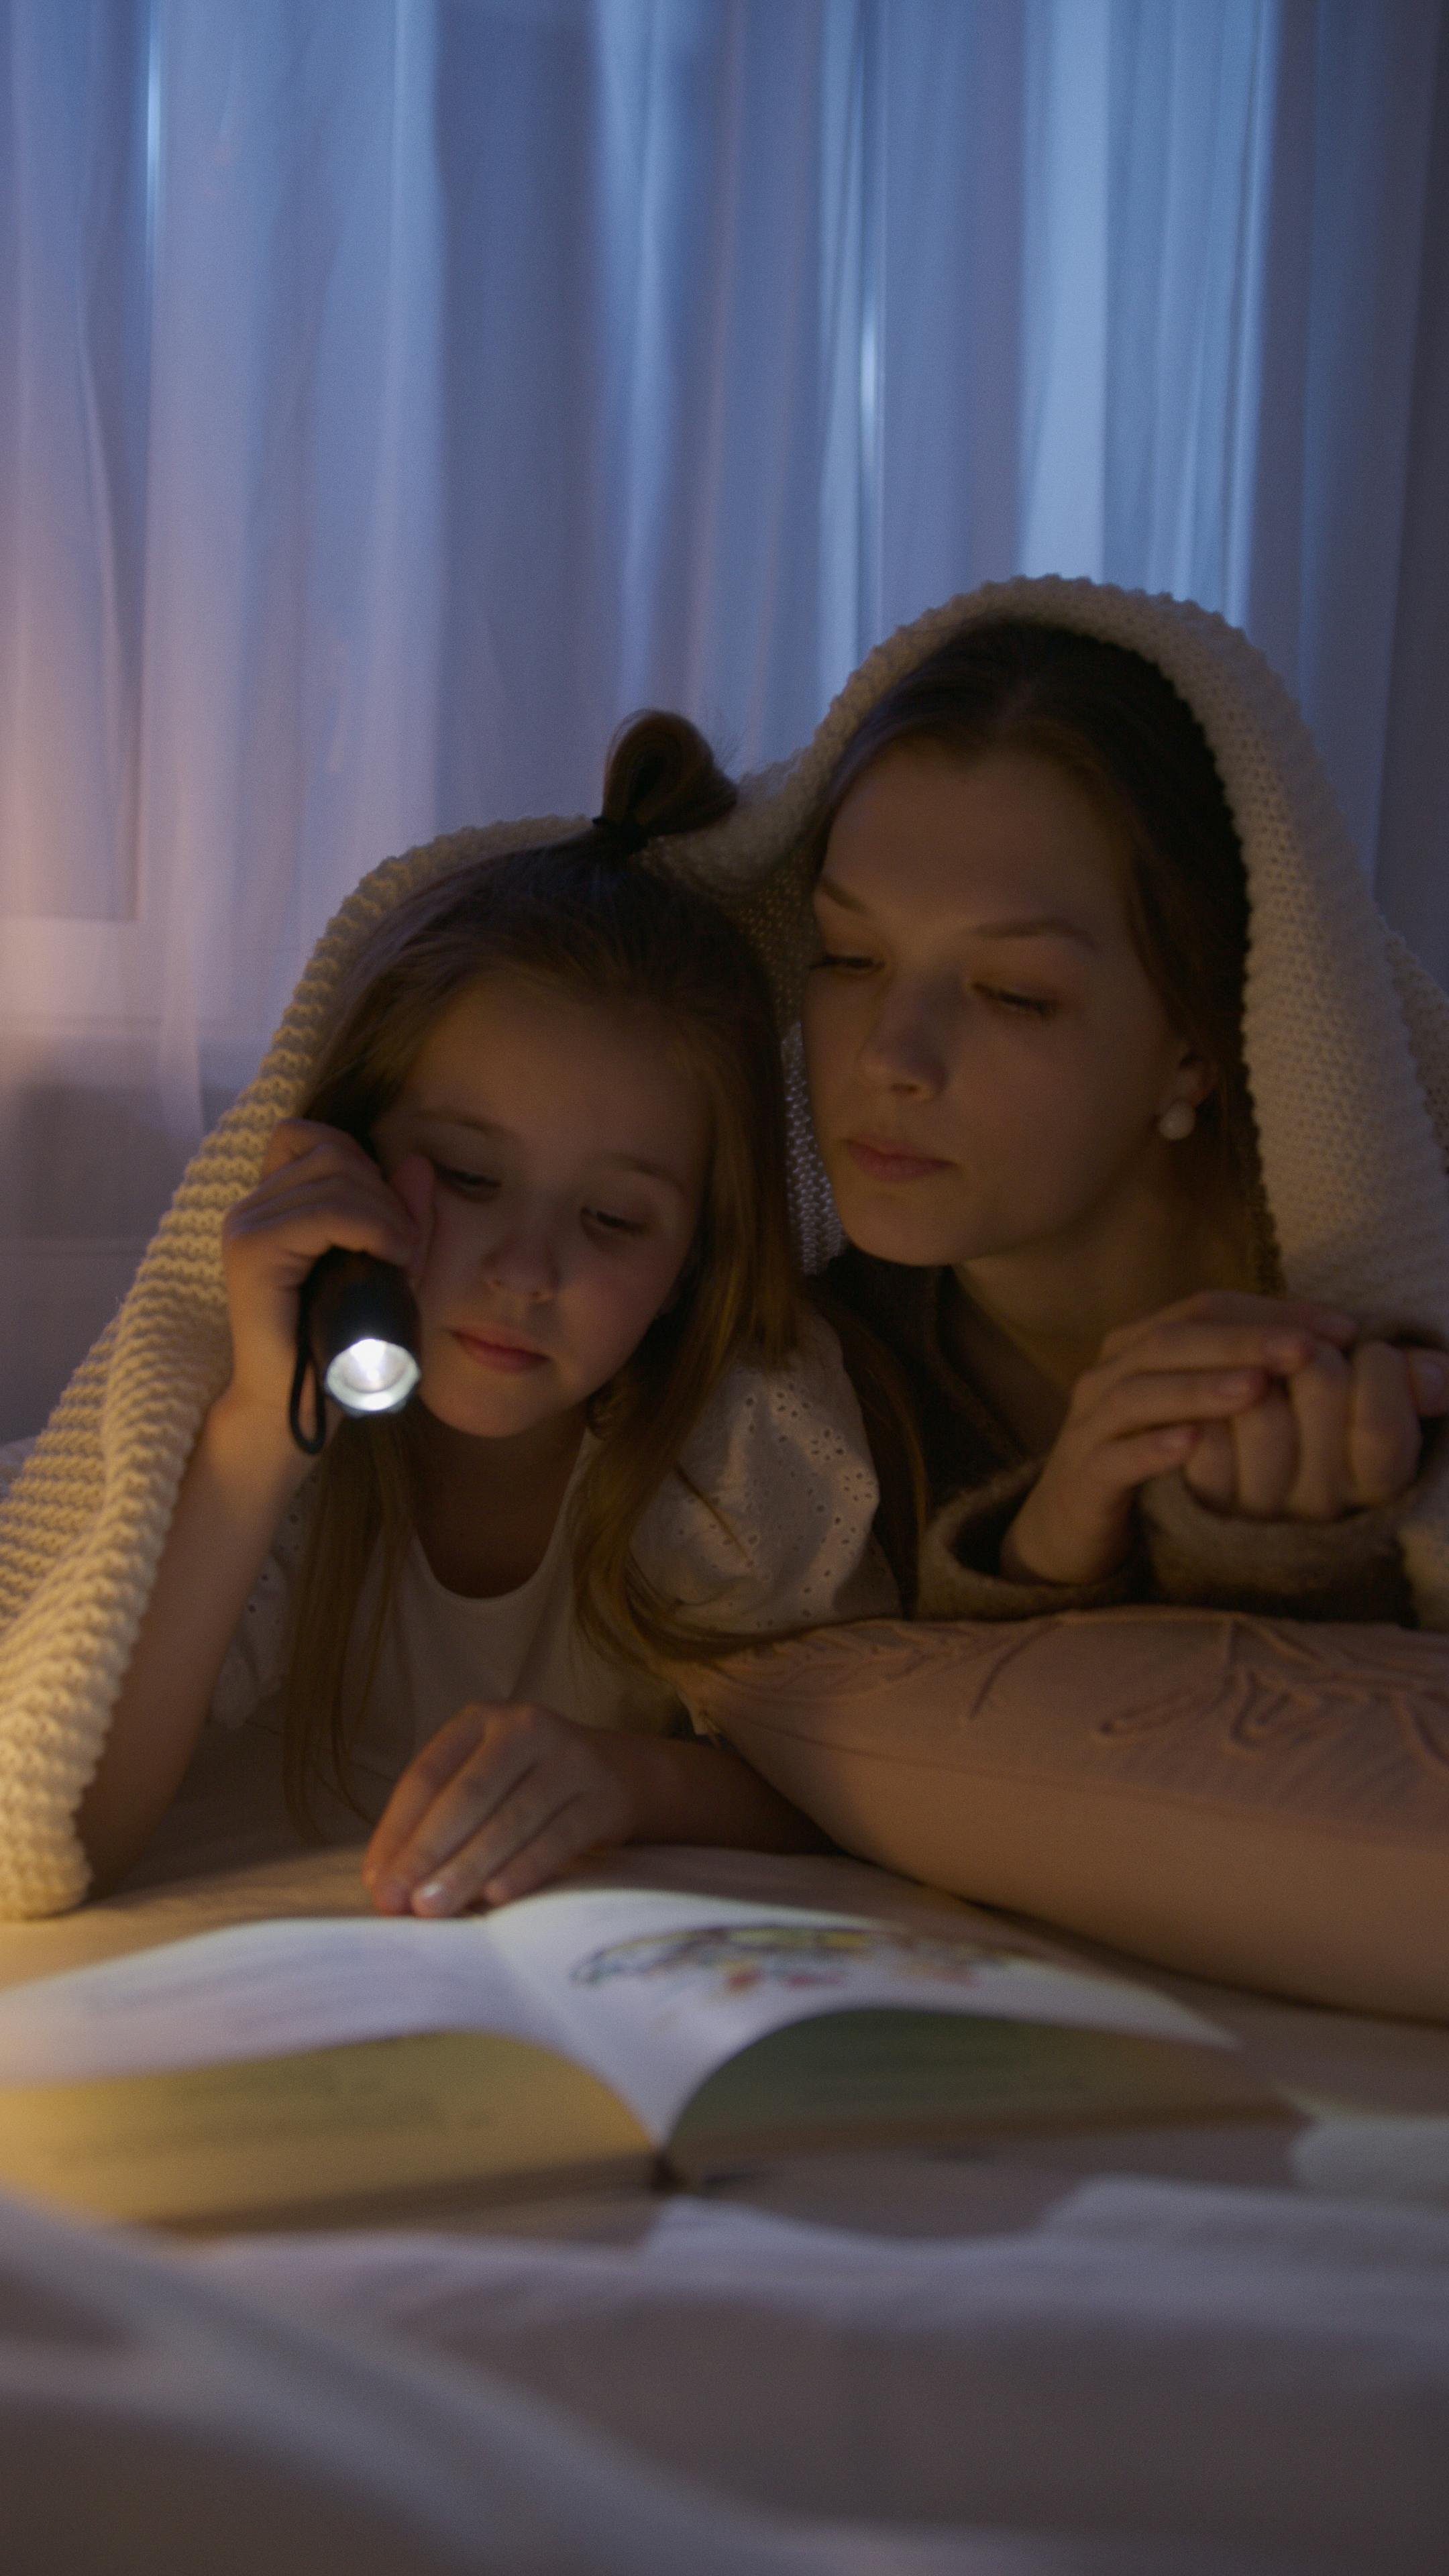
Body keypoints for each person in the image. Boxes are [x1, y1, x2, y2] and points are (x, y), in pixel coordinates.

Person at [0, 714, 894, 1923]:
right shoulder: (291, 1456)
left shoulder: (742, 1450)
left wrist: (631, 1779)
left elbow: (864, 1789)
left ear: (695, 1257)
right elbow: (56, 1835)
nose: (525, 1270)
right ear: (349, 1161)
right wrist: (264, 1424)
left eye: (615, 1222)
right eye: (470, 1181)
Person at [788, 594, 1449, 1624]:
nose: (888, 1057)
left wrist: (1290, 1549)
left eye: (1014, 993)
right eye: (848, 958)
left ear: (1196, 1046)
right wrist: (1040, 1557)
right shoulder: (800, 1391)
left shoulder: (1381, 1359)